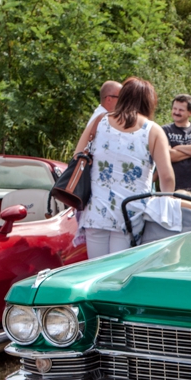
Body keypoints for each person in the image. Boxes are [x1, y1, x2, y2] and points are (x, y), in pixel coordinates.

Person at [74, 76, 174, 259]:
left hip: (96, 211)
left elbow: (77, 156)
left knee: (95, 273)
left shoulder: (99, 122)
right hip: (130, 214)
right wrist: (166, 210)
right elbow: (167, 177)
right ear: (148, 102)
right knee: (119, 275)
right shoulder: (153, 130)